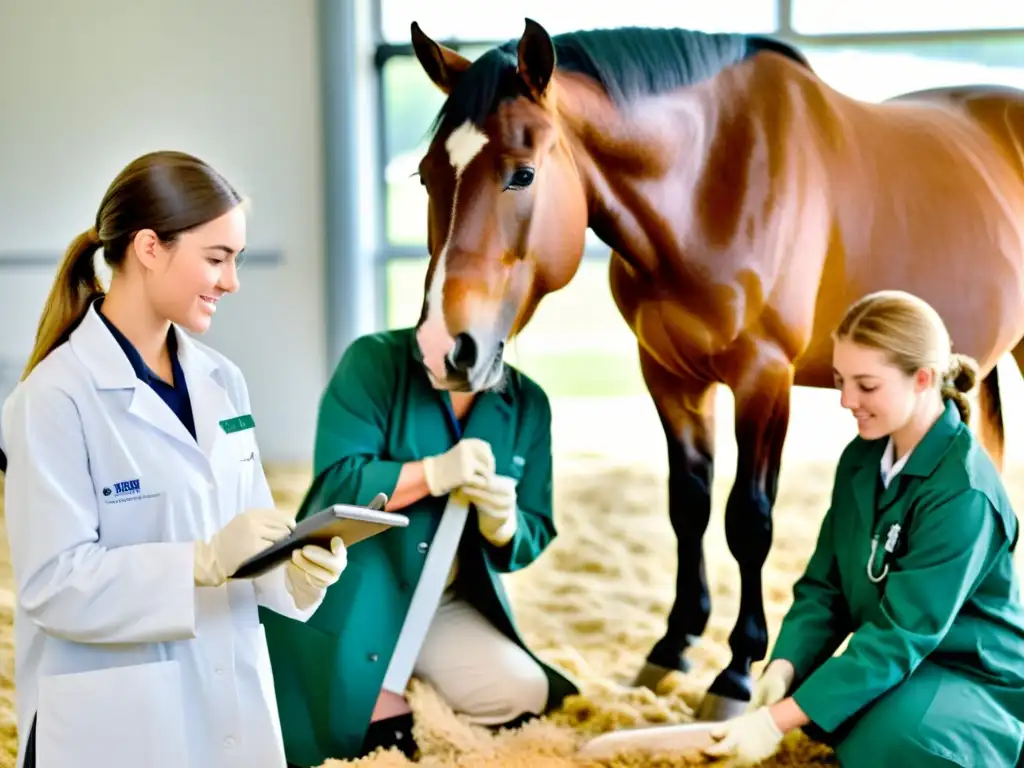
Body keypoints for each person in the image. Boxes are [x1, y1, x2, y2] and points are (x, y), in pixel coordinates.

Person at [0, 150, 348, 768]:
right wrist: (202, 560)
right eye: (216, 259)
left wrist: (291, 571)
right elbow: (52, 587)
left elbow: (248, 537)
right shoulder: (52, 398)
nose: (232, 281)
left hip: (228, 701)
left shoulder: (223, 380)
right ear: (149, 248)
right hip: (110, 721)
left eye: (235, 260)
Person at [699, 289, 1024, 767]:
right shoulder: (861, 458)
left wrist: (776, 721)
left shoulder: (964, 491)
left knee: (892, 741)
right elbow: (823, 588)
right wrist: (784, 667)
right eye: (840, 381)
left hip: (967, 671)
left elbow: (902, 635)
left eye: (866, 386)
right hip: (898, 665)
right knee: (829, 706)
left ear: (923, 379)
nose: (847, 401)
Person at [258, 324, 580, 767]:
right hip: (359, 590)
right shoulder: (371, 361)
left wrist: (504, 525)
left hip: (442, 602)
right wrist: (430, 474)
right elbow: (335, 487)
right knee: (355, 734)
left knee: (524, 693)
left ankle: (410, 677)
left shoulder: (529, 403)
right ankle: (383, 682)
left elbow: (533, 530)